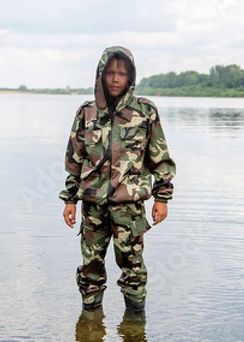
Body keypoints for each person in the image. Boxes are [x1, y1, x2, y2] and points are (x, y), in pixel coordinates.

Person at [59, 45, 176, 313]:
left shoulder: (145, 111)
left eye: (121, 74)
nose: (115, 79)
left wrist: (162, 198)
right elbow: (74, 160)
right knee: (90, 270)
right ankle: (90, 323)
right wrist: (69, 200)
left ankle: (135, 323)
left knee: (133, 271)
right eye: (110, 72)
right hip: (93, 207)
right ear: (100, 75)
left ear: (130, 77)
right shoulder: (86, 113)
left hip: (130, 209)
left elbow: (161, 158)